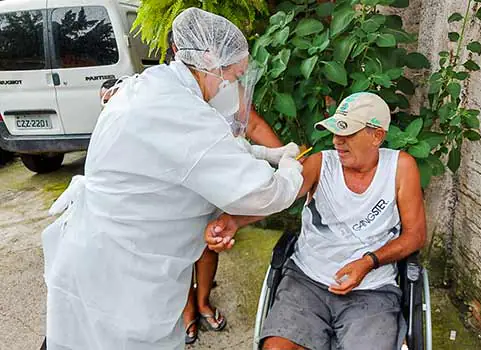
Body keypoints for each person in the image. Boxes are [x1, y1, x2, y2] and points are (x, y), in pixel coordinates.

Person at [41, 8, 304, 350]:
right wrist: (292, 168)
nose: (235, 86)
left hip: (101, 254)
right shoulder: (179, 111)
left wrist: (266, 154)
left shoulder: (151, 87)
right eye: (234, 75)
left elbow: (196, 155)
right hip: (121, 279)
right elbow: (262, 194)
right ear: (210, 62)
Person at [206, 92, 427, 350]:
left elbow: (415, 235)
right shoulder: (322, 163)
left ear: (377, 135)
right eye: (335, 133)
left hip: (372, 290)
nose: (337, 142)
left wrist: (369, 262)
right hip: (306, 282)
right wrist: (233, 222)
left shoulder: (400, 168)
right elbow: (280, 197)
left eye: (348, 134)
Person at [164, 28, 284, 344]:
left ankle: (202, 300)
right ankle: (185, 308)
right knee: (178, 247)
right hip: (182, 184)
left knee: (211, 239)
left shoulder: (226, 84)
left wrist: (286, 157)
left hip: (220, 178)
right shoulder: (167, 92)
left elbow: (253, 124)